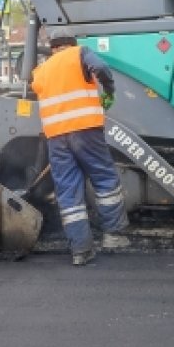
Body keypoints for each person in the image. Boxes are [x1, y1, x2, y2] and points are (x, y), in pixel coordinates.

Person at [30, 26, 129, 266]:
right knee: (105, 179)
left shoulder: (40, 70)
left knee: (68, 191)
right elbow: (102, 69)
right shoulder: (80, 53)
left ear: (53, 48)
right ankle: (114, 236)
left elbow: (40, 92)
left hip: (56, 138)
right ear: (71, 43)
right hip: (86, 131)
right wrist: (109, 90)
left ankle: (81, 250)